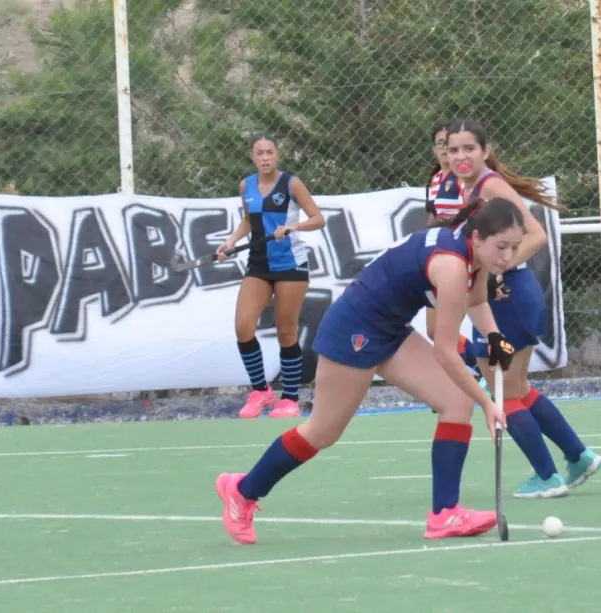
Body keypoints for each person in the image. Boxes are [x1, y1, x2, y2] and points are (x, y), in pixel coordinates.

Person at [214, 197, 523, 544]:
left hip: (389, 328)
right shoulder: (452, 266)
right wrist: (487, 402)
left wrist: (493, 335)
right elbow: (445, 352)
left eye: (515, 248)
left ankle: (444, 514)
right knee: (322, 432)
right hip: (354, 328)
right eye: (502, 246)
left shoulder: (475, 255)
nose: (508, 257)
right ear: (478, 237)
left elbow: (477, 302)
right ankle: (242, 490)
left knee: (456, 402)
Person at [446, 118, 601, 499]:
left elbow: (535, 235)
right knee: (517, 388)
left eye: (469, 148)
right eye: (453, 150)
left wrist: (497, 269)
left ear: (485, 152)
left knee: (502, 393)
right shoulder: (469, 188)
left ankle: (547, 477)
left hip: (508, 298)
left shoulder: (490, 186)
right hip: (515, 295)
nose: (460, 156)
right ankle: (578, 456)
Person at [217, 134, 325, 420]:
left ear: (277, 155)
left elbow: (318, 219)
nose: (265, 158)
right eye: (259, 153)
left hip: (290, 265)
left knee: (286, 332)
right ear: (252, 156)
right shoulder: (246, 186)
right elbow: (248, 220)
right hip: (258, 264)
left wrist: (292, 228)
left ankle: (289, 399)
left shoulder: (291, 183)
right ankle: (260, 391)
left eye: (269, 152)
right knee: (243, 327)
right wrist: (230, 242)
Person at [422, 121, 485, 389]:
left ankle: (471, 380)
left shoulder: (463, 180)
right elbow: (434, 217)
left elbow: (471, 216)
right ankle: (476, 371)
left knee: (446, 334)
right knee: (433, 331)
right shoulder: (436, 178)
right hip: (437, 258)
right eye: (441, 144)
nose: (445, 150)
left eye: (449, 145)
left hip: (459, 260)